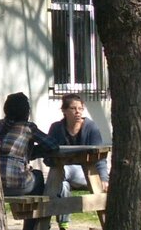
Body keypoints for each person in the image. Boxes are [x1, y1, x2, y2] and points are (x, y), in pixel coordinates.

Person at [46, 93, 110, 230]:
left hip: (86, 174)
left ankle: (45, 213)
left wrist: (104, 178)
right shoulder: (56, 128)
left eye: (80, 108)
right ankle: (63, 224)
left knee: (61, 172)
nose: (78, 112)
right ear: (64, 110)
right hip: (62, 175)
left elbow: (100, 157)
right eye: (73, 108)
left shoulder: (91, 128)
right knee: (62, 185)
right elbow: (48, 156)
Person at [0, 92, 59, 201]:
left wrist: (29, 153)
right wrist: (35, 153)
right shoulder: (28, 127)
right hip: (17, 185)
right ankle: (36, 211)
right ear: (26, 111)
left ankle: (27, 211)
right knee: (38, 175)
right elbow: (52, 145)